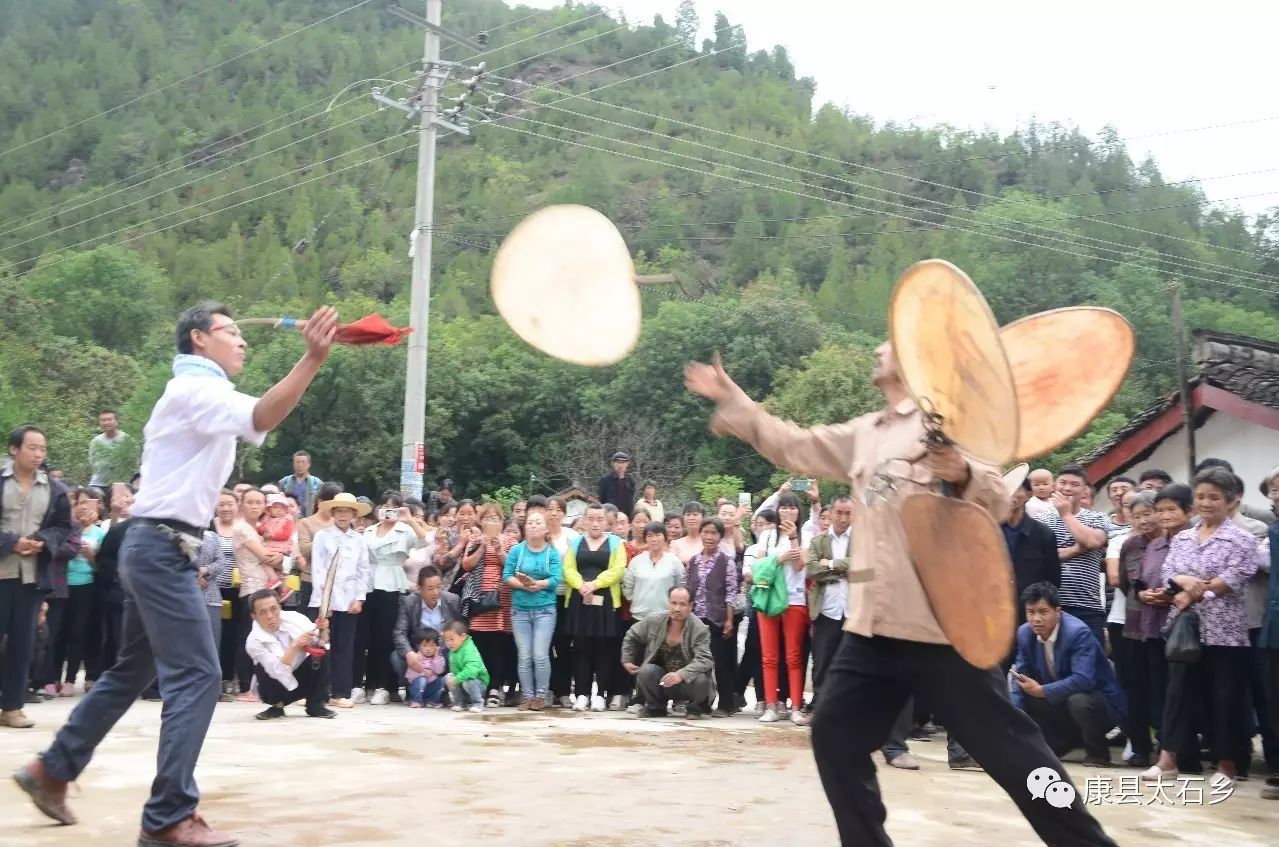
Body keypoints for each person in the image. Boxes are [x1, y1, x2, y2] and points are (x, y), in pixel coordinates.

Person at [684, 344, 1116, 847]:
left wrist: (960, 471)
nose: (875, 350)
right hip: (872, 631)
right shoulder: (867, 432)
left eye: (888, 346)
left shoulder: (951, 422)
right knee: (833, 737)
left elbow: (999, 497)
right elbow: (794, 445)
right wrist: (735, 399)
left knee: (1019, 758)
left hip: (941, 629)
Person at [15, 303, 338, 845]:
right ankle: (168, 817)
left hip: (157, 546)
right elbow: (261, 415)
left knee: (130, 672)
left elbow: (251, 414)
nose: (241, 340)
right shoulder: (195, 389)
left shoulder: (199, 390)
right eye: (229, 331)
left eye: (240, 331)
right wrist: (312, 359)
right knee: (199, 676)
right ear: (198, 339)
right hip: (162, 546)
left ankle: (53, 769)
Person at [1142, 467, 1260, 787]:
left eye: (1215, 497)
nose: (1206, 503)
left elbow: (1234, 578)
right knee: (1178, 693)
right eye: (1201, 496)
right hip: (1185, 627)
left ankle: (1226, 765)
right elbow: (1171, 571)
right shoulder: (1183, 536)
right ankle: (1168, 760)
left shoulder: (1242, 539)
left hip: (1225, 632)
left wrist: (1197, 591)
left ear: (1233, 500)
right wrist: (1184, 583)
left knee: (1223, 698)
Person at [1, 425, 74, 730]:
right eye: (32, 447)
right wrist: (10, 542)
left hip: (31, 577)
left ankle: (12, 707)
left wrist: (43, 541)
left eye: (42, 449)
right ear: (14, 450)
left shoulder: (54, 489)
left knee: (22, 642)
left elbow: (63, 527)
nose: (38, 454)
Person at [1011, 582, 1126, 767]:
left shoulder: (1077, 632)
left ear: (1058, 611)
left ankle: (1099, 754)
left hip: (1100, 704)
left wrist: (1042, 690)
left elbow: (1083, 680)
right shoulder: (1025, 633)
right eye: (1031, 612)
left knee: (1078, 700)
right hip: (1059, 701)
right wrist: (1014, 715)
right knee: (1022, 693)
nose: (1036, 618)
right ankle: (1064, 741)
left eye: (1043, 611)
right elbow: (1020, 676)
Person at [1115, 488, 1177, 768]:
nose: (1143, 521)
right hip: (1134, 626)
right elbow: (1127, 584)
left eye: (1147, 514)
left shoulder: (1174, 542)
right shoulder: (1129, 546)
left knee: (1164, 689)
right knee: (1135, 688)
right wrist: (1141, 595)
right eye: (1136, 516)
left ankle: (1169, 748)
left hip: (1166, 627)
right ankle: (1140, 747)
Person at [361, 493, 426, 705]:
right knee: (369, 636)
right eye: (385, 505)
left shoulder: (404, 530)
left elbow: (424, 540)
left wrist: (409, 519)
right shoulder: (369, 530)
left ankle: (386, 686)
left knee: (386, 636)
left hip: (392, 581)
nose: (388, 510)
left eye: (393, 507)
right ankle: (368, 684)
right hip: (370, 582)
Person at [1033, 464, 1109, 644]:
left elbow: (1092, 542)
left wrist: (1066, 515)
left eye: (1074, 484)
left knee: (1090, 663)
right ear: (1054, 486)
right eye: (1063, 483)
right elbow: (1040, 558)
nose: (1067, 488)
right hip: (1049, 605)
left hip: (1087, 605)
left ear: (1084, 489)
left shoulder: (1097, 517)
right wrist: (1076, 549)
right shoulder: (1040, 520)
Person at [563, 503, 627, 711]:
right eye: (590, 519)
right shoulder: (576, 543)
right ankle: (582, 694)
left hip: (606, 602)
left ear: (606, 521)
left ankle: (600, 694)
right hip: (579, 601)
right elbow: (568, 568)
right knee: (581, 649)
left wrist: (594, 584)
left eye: (599, 519)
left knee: (604, 650)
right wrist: (581, 585)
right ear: (584, 520)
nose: (595, 523)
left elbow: (618, 570)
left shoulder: (616, 543)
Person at [310, 492, 372, 710]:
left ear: (354, 514)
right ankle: (315, 691)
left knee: (345, 647)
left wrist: (360, 599)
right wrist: (321, 604)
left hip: (349, 601)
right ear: (333, 513)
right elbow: (318, 569)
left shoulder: (359, 540)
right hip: (326, 600)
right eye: (339, 511)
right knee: (320, 645)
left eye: (347, 511)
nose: (343, 515)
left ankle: (340, 692)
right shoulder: (322, 537)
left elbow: (363, 570)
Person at [46, 488, 104, 698]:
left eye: (87, 502)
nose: (83, 506)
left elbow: (102, 566)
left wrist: (90, 555)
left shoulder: (99, 532)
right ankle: (52, 677)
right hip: (61, 584)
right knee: (56, 632)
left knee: (76, 633)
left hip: (85, 585)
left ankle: (70, 679)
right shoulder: (63, 526)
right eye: (79, 502)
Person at [622, 586, 714, 718]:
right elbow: (632, 635)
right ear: (668, 603)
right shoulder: (654, 620)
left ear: (690, 606)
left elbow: (705, 660)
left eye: (682, 604)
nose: (677, 609)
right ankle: (656, 707)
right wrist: (627, 658)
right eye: (673, 603)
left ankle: (695, 708)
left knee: (702, 679)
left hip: (687, 684)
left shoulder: (700, 628)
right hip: (663, 682)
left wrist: (681, 675)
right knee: (646, 670)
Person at [503, 511, 562, 710]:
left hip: (545, 610)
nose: (533, 526)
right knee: (524, 655)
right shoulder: (516, 551)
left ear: (546, 528)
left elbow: (555, 579)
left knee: (540, 654)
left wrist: (539, 584)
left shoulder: (551, 553)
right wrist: (523, 585)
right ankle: (527, 696)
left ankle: (541, 695)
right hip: (520, 610)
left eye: (538, 522)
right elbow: (507, 576)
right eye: (530, 523)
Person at [244, 589, 333, 721]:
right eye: (262, 612)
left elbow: (322, 641)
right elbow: (278, 670)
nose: (270, 616)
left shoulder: (295, 618)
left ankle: (315, 705)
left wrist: (323, 629)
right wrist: (295, 645)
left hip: (300, 681)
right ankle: (276, 706)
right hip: (274, 686)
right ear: (254, 616)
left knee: (321, 653)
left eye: (273, 609)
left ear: (280, 607)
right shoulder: (253, 641)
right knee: (262, 667)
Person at [459, 502, 516, 707]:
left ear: (502, 522)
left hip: (502, 597)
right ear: (480, 521)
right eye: (487, 518)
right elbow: (466, 564)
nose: (492, 522)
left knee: (498, 644)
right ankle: (480, 687)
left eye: (496, 518)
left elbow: (513, 565)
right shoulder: (475, 539)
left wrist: (499, 550)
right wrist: (483, 545)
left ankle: (495, 687)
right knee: (480, 642)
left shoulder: (509, 540)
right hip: (478, 596)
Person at [683, 516, 738, 716]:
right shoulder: (694, 561)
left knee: (721, 663)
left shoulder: (727, 561)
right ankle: (701, 702)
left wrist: (730, 620)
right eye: (705, 532)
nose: (709, 536)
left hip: (718, 619)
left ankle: (725, 704)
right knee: (698, 663)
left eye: (714, 533)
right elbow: (687, 589)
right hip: (696, 620)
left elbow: (732, 592)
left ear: (720, 536)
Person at [1002, 475, 1062, 653]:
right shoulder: (988, 531)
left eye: (1017, 489)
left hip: (1031, 615)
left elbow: (1053, 581)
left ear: (1028, 493)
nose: (1011, 494)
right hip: (996, 613)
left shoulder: (1044, 534)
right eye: (1005, 489)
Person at [806, 496, 853, 710]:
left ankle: (847, 709)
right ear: (831, 513)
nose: (843, 518)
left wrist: (832, 563)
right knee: (822, 661)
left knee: (852, 664)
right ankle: (819, 707)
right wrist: (843, 573)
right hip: (826, 611)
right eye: (839, 512)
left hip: (854, 613)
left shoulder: (862, 540)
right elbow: (813, 570)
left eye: (848, 513)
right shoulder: (818, 541)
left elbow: (867, 571)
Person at [392, 565, 462, 693]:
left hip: (444, 651)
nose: (436, 592)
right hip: (419, 652)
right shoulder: (409, 602)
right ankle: (413, 689)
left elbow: (461, 632)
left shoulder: (453, 601)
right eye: (430, 588)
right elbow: (399, 632)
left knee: (457, 655)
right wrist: (409, 653)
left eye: (439, 587)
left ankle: (446, 689)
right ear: (419, 589)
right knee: (396, 657)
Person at [295, 481, 343, 617]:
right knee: (310, 624)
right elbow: (304, 549)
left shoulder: (341, 523)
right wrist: (326, 538)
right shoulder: (306, 523)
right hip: (311, 580)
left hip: (336, 581)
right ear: (320, 501)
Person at [623, 522, 685, 620]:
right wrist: (636, 601)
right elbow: (628, 586)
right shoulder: (636, 561)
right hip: (639, 616)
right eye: (650, 536)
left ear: (665, 537)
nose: (654, 539)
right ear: (645, 539)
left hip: (666, 616)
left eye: (658, 535)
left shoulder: (674, 562)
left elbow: (681, 585)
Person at [443, 620, 489, 713]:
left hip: (478, 682)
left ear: (463, 637)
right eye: (446, 640)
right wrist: (454, 679)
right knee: (449, 677)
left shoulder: (469, 649)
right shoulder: (454, 649)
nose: (449, 643)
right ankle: (461, 703)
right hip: (463, 680)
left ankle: (478, 702)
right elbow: (454, 670)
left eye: (452, 639)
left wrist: (457, 679)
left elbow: (472, 670)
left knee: (468, 681)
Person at [88, 410, 134, 487]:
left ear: (116, 422)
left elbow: (132, 463)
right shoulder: (95, 441)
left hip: (121, 483)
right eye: (103, 420)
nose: (106, 423)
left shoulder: (127, 440)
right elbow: (92, 462)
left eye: (109, 419)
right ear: (99, 423)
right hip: (98, 483)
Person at [404, 630, 446, 708]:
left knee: (441, 680)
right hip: (416, 688)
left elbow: (439, 671)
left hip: (429, 688)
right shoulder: (416, 657)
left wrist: (436, 657)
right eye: (424, 645)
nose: (428, 649)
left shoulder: (439, 658)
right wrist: (423, 673)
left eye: (432, 645)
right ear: (419, 646)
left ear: (437, 647)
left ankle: (432, 700)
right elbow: (409, 676)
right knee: (422, 680)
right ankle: (416, 700)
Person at [278, 451, 323, 517]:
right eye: (297, 462)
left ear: (309, 464)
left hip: (309, 521)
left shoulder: (317, 483)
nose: (300, 465)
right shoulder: (284, 482)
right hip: (288, 520)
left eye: (303, 462)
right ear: (293, 464)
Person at [598, 451, 636, 518]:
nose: (620, 465)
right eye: (618, 462)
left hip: (627, 517)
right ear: (613, 463)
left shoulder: (630, 479)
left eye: (623, 462)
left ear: (627, 464)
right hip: (611, 517)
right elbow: (602, 500)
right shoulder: (605, 479)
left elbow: (631, 498)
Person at [669, 501, 705, 566]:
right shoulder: (675, 543)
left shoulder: (709, 541)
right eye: (688, 515)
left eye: (695, 514)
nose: (691, 518)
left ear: (703, 517)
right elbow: (672, 566)